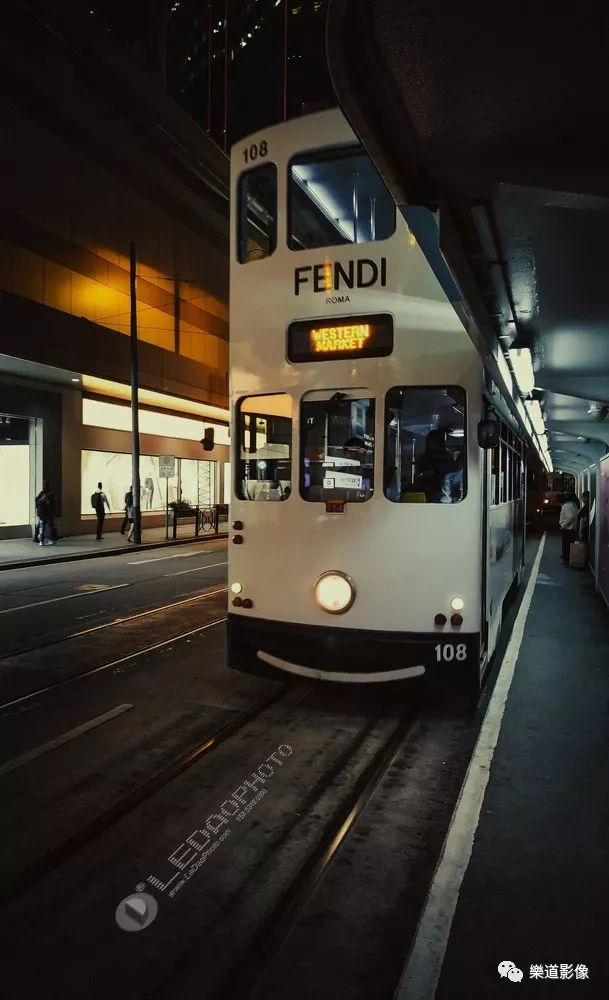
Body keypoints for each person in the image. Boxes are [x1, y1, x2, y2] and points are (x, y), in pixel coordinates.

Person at [415, 429, 457, 503]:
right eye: (430, 441)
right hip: (425, 496)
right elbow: (418, 476)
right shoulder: (424, 458)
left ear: (441, 442)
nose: (432, 443)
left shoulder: (447, 459)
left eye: (435, 441)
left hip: (444, 494)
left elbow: (452, 478)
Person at [559, 491, 580, 563]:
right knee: (570, 545)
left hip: (567, 529)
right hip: (573, 529)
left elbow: (570, 517)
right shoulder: (574, 504)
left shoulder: (566, 505)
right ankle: (570, 558)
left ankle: (566, 559)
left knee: (566, 546)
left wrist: (563, 526)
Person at [35, 481, 56, 546]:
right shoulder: (51, 494)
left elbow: (37, 502)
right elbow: (52, 504)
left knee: (42, 526)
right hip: (48, 513)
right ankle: (51, 540)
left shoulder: (41, 494)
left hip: (42, 513)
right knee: (50, 526)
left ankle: (41, 540)